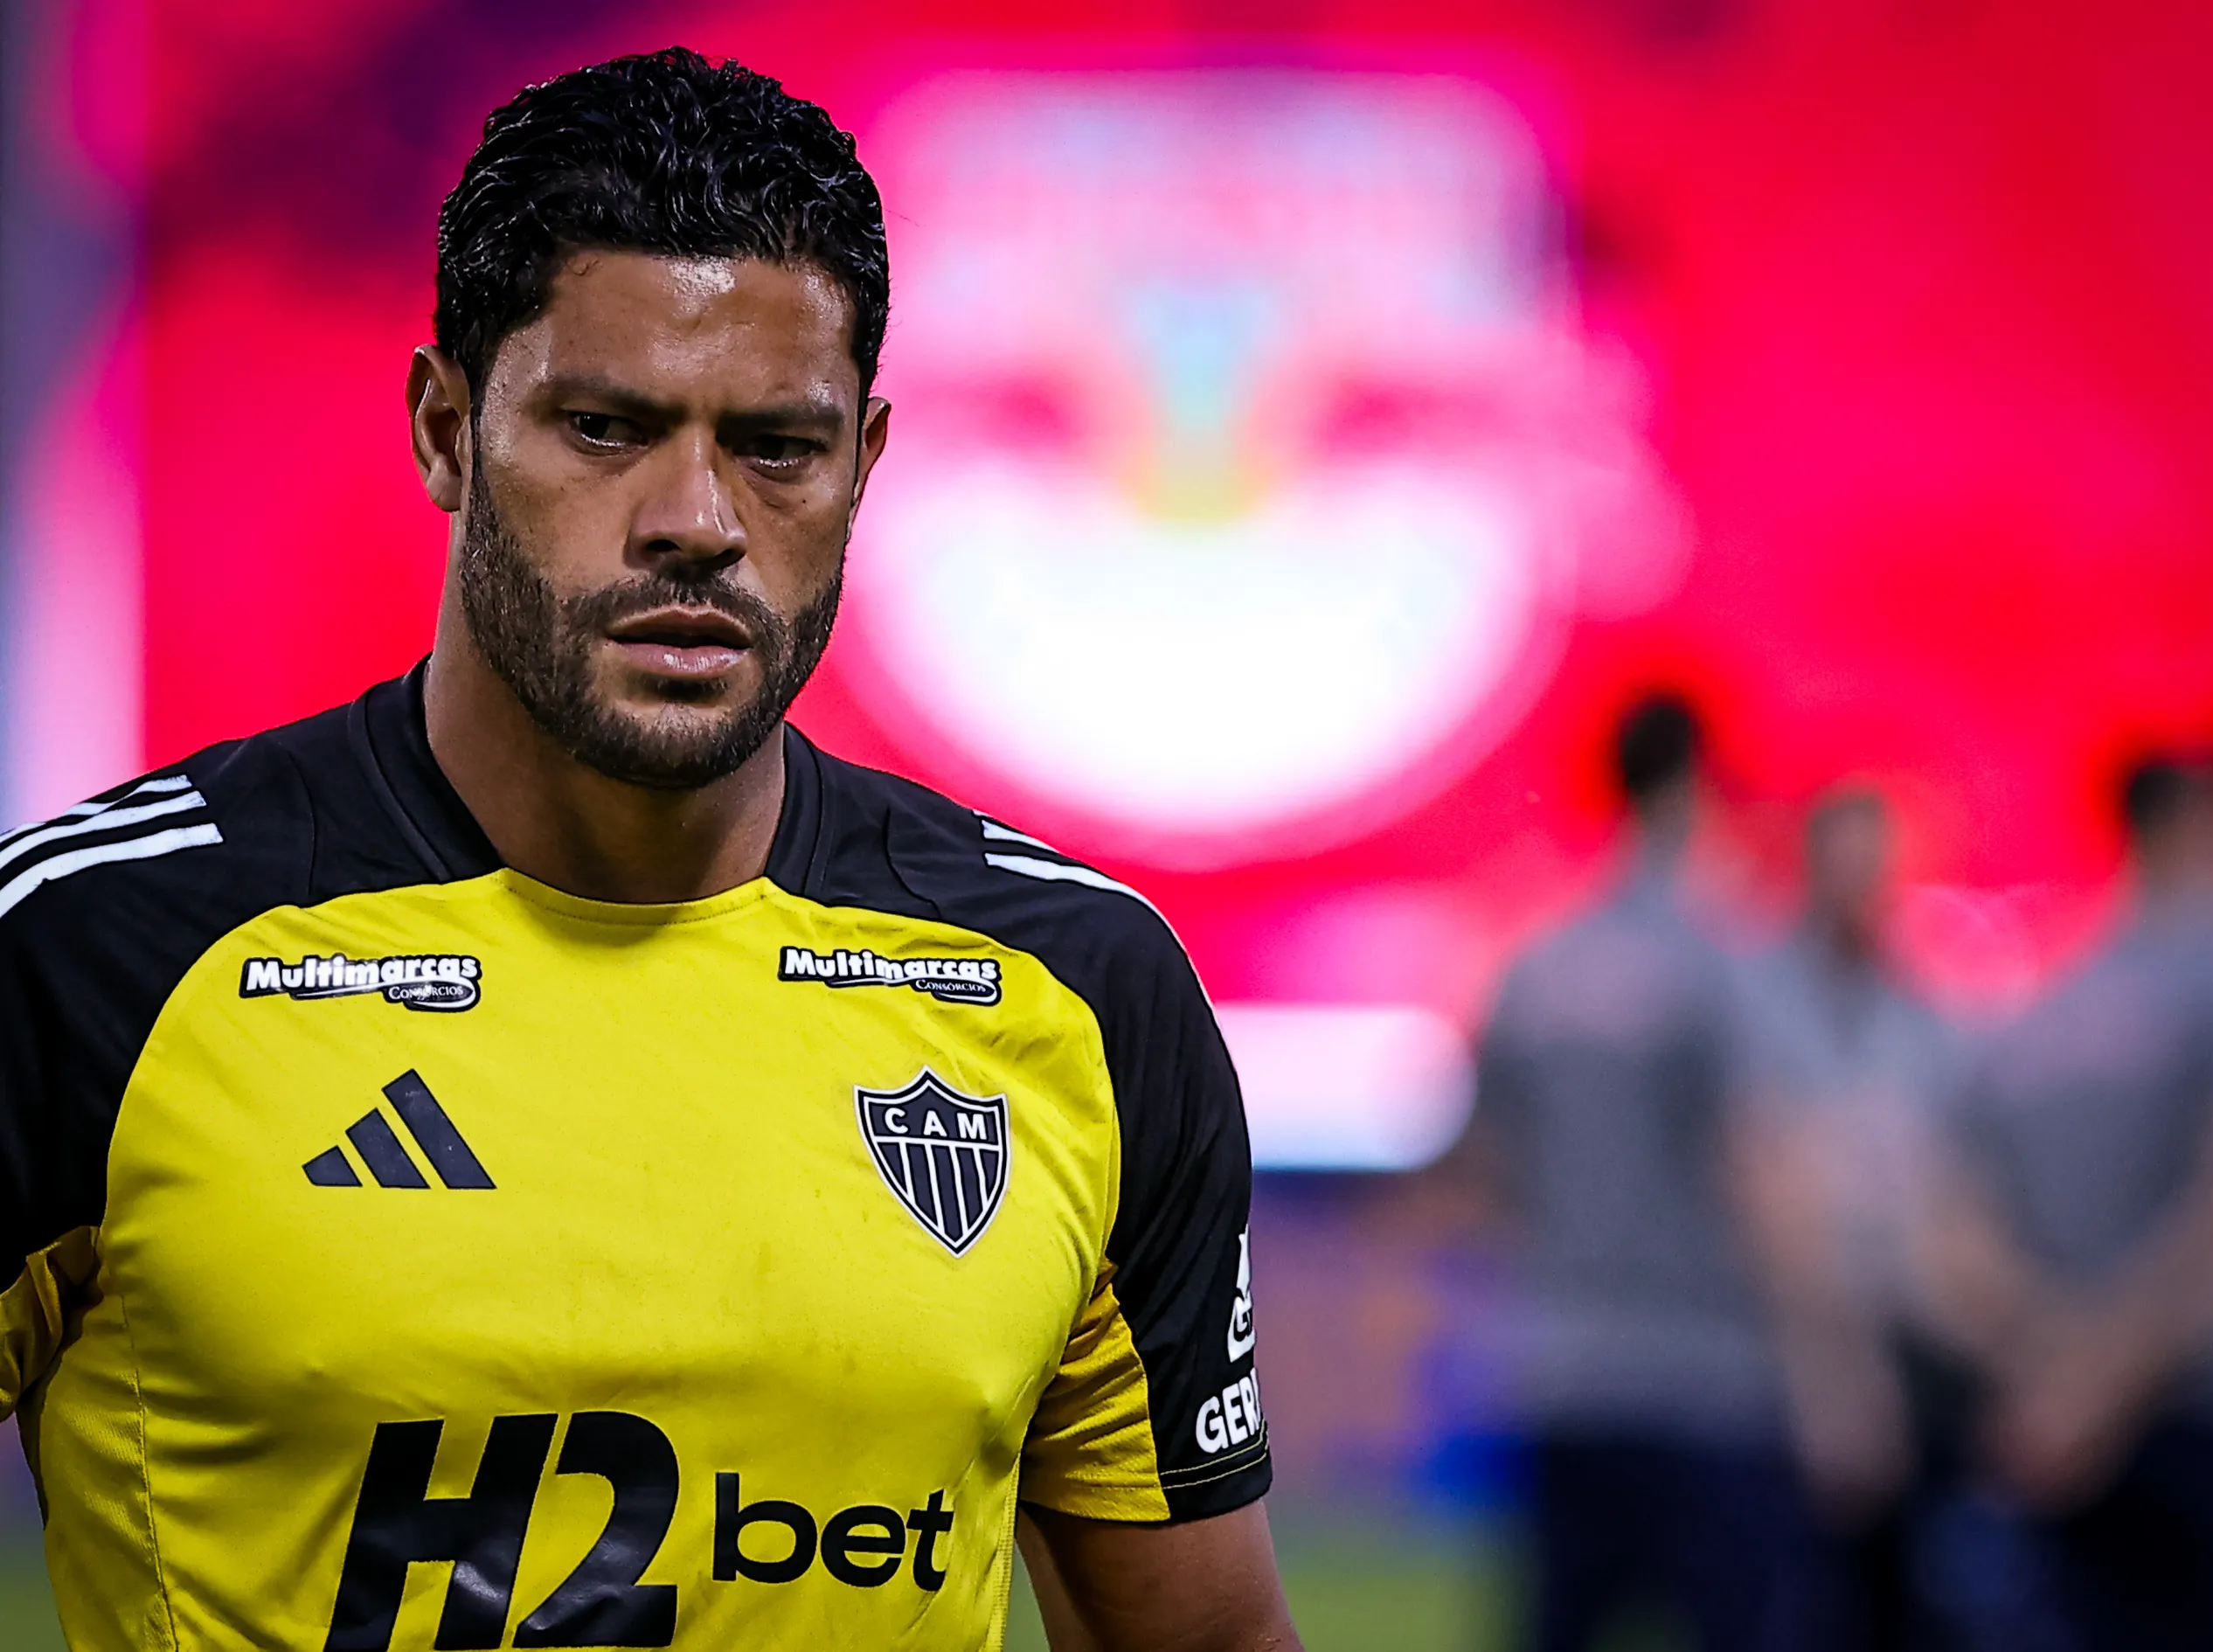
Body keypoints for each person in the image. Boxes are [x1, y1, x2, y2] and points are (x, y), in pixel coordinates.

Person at [0, 50, 1296, 1651]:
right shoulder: (94, 952)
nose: (697, 516)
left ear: (866, 469)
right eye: (606, 427)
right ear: (446, 432)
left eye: (776, 445)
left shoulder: (1079, 993)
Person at [1921, 759, 2213, 1652]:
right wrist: (2105, 1380)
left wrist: (2051, 1376)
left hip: (2064, 1444)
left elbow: (1949, 1230)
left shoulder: (2046, 1014)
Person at [1470, 695, 1835, 1652]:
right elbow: (1759, 1168)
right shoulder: (1730, 957)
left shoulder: (1539, 968)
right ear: (1700, 786)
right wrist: (1836, 1375)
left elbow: (1489, 1172)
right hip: (1709, 1383)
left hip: (1566, 1373)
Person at [1727, 789, 1962, 1650]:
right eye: (1846, 866)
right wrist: (1835, 1378)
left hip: (1908, 1363)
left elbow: (1942, 1205)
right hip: (1778, 1375)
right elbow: (1769, 1200)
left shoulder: (1924, 1021)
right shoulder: (1752, 1003)